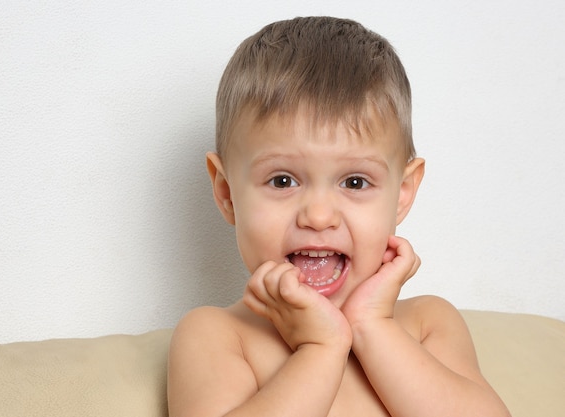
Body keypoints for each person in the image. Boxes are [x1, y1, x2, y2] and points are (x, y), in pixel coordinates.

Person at [167, 16, 511, 417]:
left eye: (354, 182)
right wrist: (320, 348)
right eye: (282, 180)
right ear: (227, 193)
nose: (318, 215)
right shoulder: (218, 336)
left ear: (402, 193)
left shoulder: (427, 324)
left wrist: (371, 326)